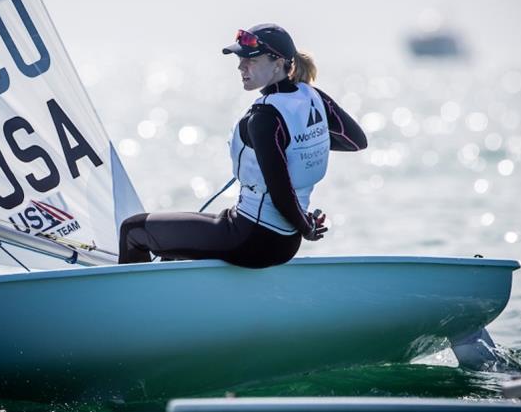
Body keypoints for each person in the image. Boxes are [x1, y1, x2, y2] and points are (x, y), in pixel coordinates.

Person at [119, 23, 367, 268]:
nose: (241, 66)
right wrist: (300, 143)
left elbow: (280, 193)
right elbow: (355, 141)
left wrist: (308, 229)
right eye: (240, 60)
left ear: (278, 63)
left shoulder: (264, 117)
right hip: (284, 241)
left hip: (251, 239)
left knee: (133, 230)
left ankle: (126, 305)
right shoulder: (314, 97)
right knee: (172, 248)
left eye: (251, 60)